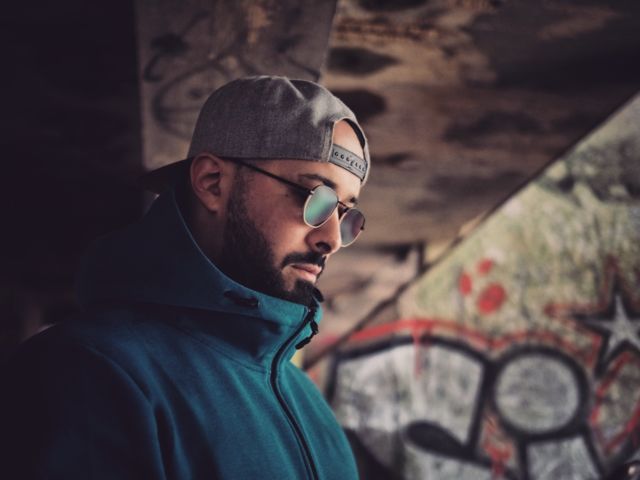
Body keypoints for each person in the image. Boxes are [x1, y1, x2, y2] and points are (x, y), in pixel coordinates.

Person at [0, 76, 370, 479]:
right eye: (315, 198)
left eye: (345, 213)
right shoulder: (87, 371)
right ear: (212, 183)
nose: (332, 239)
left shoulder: (309, 402)